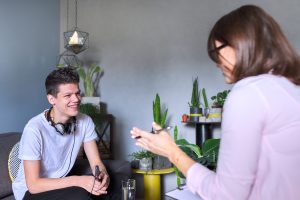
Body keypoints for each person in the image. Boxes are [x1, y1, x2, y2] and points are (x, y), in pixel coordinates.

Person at [131, 5, 300, 200]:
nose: (216, 61)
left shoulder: (248, 94)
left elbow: (226, 196)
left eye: (217, 50)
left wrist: (172, 151)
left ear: (242, 43)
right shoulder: (290, 87)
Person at [12, 67, 110, 200]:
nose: (76, 99)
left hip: (60, 185)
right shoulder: (34, 129)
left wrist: (102, 175)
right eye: (68, 95)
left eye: (77, 93)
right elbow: (34, 185)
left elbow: (96, 162)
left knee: (108, 187)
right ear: (52, 99)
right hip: (30, 192)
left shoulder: (85, 121)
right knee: (81, 194)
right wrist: (79, 181)